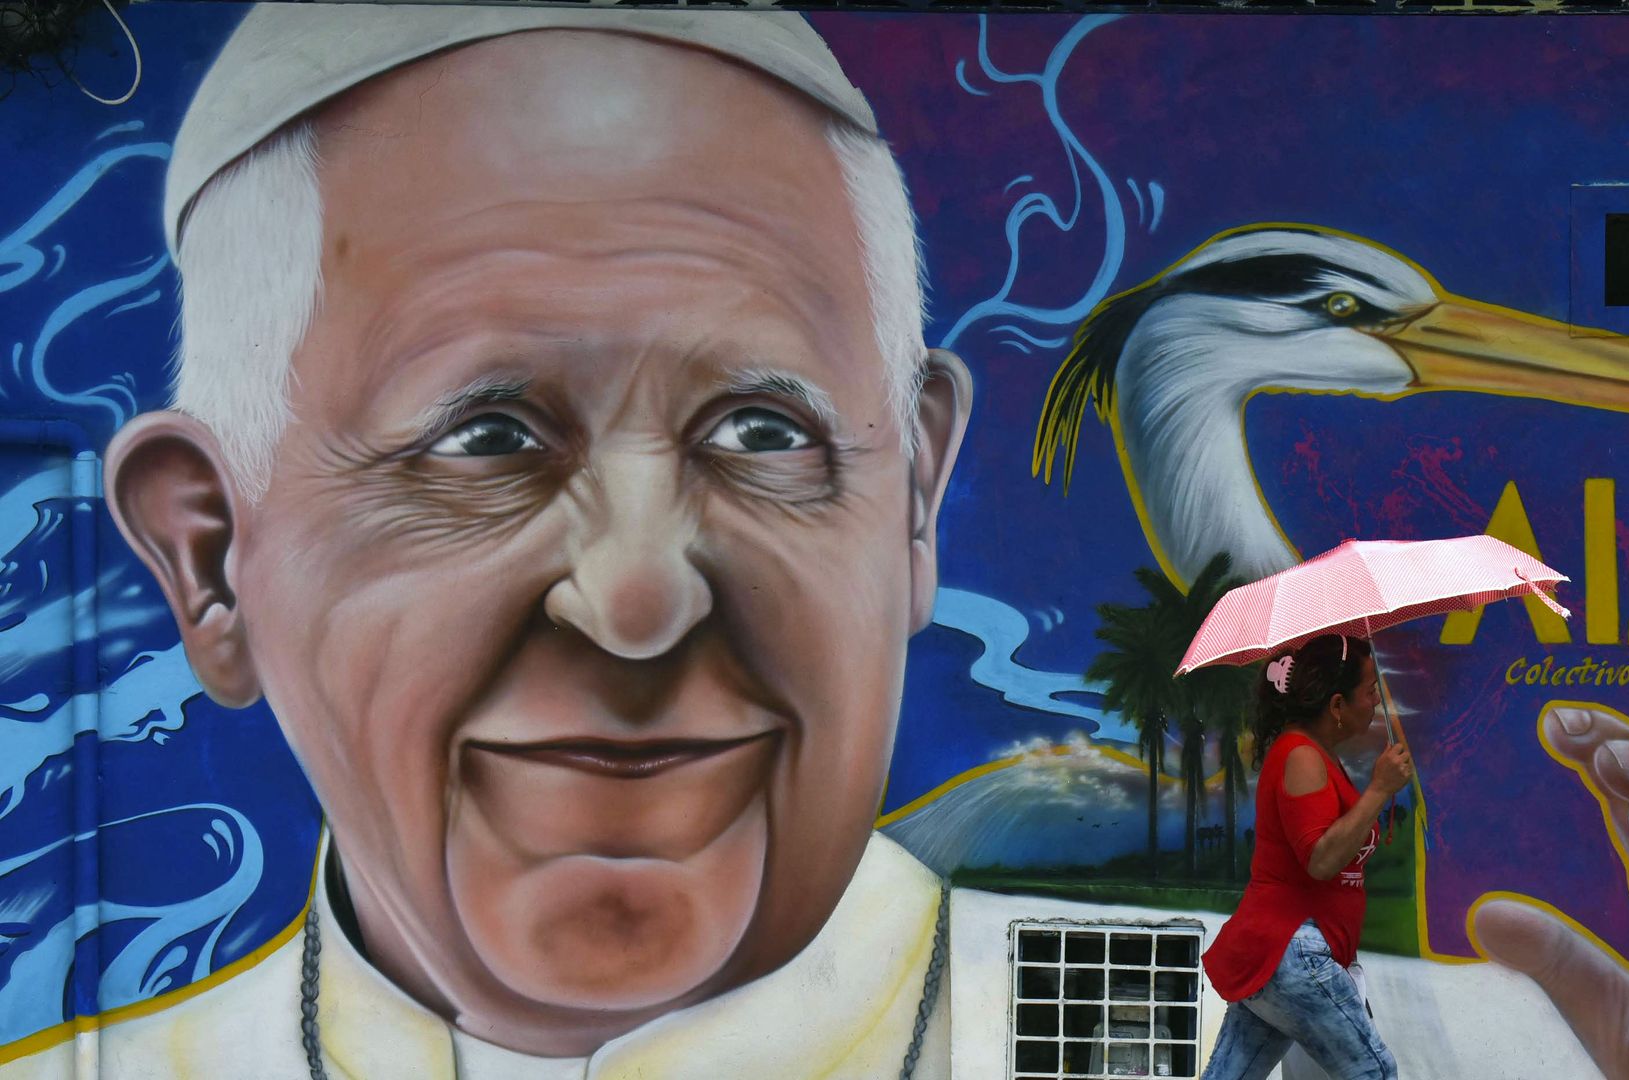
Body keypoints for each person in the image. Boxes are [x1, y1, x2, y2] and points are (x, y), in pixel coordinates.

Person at [2, 6, 971, 1078]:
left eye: (760, 434)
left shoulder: (1163, 1034)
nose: (639, 602)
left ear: (913, 501)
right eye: (489, 441)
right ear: (213, 556)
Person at [1200, 634, 1411, 1080]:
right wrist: (1378, 790)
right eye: (1370, 690)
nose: (1375, 701)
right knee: (1372, 1071)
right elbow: (1320, 859)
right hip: (1293, 951)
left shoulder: (1312, 754)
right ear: (1337, 704)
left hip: (1278, 955)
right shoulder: (1301, 756)